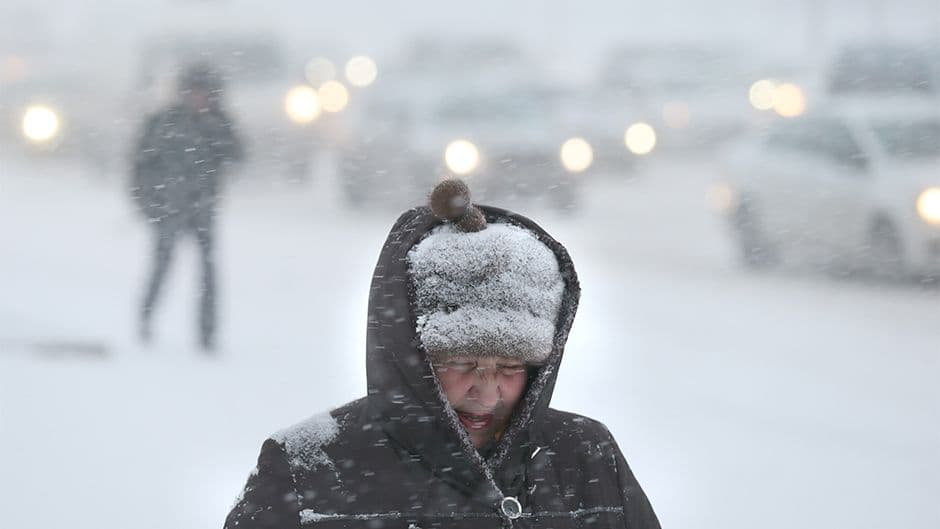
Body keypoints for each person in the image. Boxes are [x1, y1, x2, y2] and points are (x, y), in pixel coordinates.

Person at [224, 179, 660, 528]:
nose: (487, 395)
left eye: (510, 367)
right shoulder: (309, 469)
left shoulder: (586, 458)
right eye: (463, 363)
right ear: (411, 357)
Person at [130, 62, 243, 351]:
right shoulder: (164, 121)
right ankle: (145, 321)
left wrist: (216, 128)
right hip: (168, 208)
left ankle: (207, 335)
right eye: (194, 92)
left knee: (207, 273)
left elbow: (238, 155)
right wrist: (147, 202)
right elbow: (141, 164)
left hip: (203, 210)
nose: (199, 98)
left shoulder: (218, 123)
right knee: (161, 268)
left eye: (204, 93)